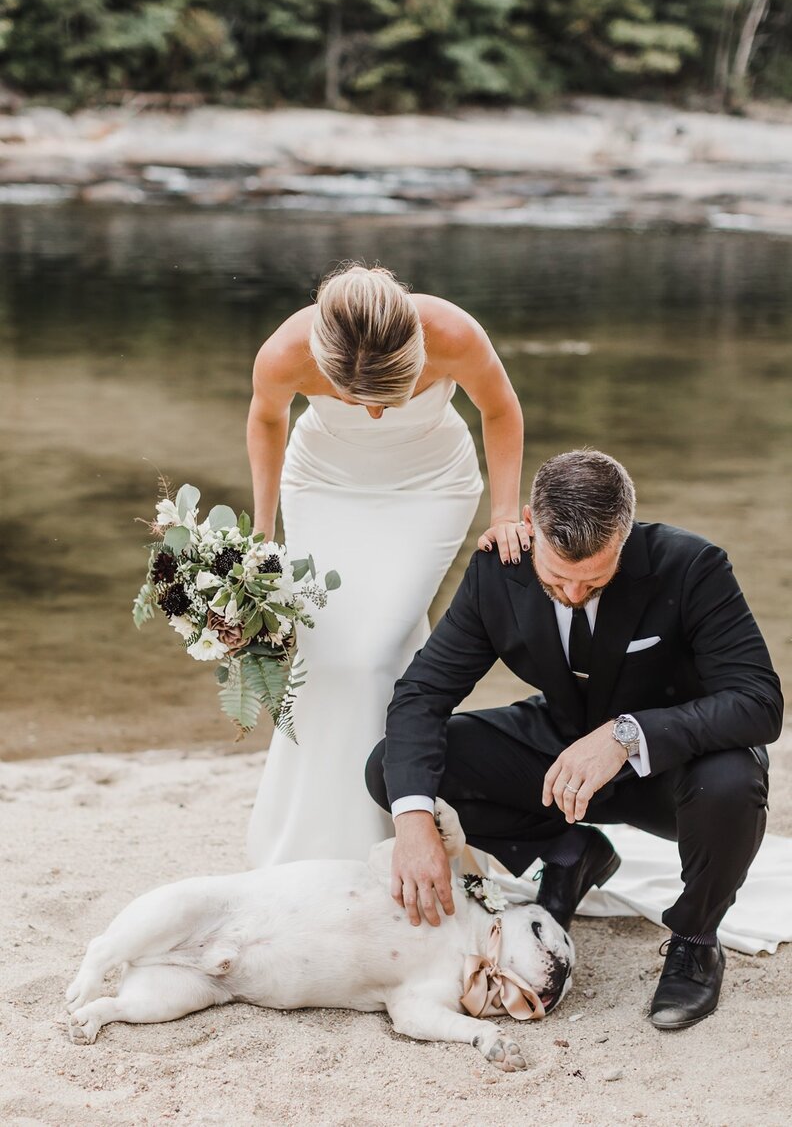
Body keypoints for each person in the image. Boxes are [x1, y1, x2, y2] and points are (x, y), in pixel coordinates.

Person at [366, 449, 783, 1030]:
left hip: (670, 771)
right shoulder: (498, 569)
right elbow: (422, 696)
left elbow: (759, 702)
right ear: (530, 527)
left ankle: (693, 939)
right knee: (392, 768)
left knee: (734, 778)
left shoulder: (693, 566)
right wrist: (413, 824)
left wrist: (625, 735)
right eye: (558, 577)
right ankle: (569, 852)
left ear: (626, 534)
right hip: (557, 751)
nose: (575, 594)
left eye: (595, 579)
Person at [246, 263, 526, 867]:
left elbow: (500, 410)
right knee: (325, 653)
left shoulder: (453, 332)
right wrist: (262, 536)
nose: (374, 414)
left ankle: (394, 822)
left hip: (430, 489)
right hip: (322, 485)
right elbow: (267, 419)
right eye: (354, 399)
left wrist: (505, 511)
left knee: (374, 648)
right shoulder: (284, 353)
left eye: (389, 398)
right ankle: (322, 834)